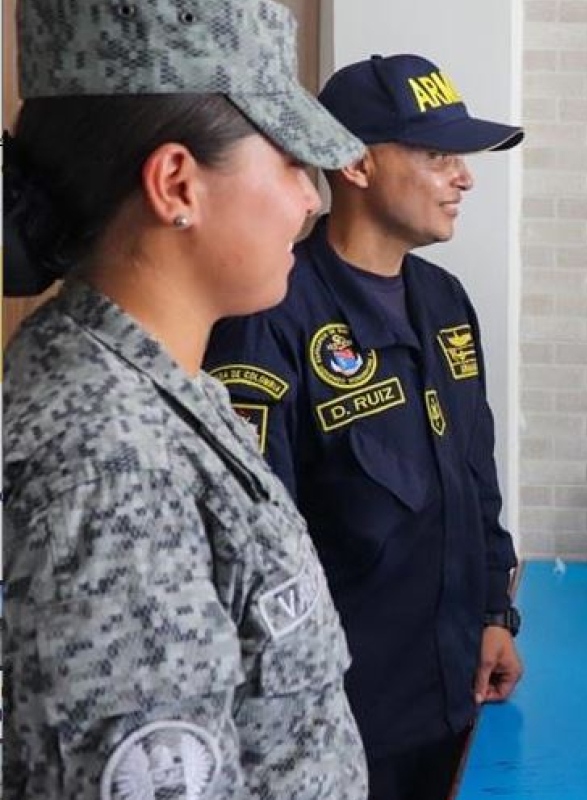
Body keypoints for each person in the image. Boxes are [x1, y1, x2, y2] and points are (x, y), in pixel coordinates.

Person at [2, 1, 369, 798]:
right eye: (287, 163)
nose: (311, 199)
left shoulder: (159, 390)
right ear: (177, 184)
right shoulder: (109, 459)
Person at [203, 53, 523, 800]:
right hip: (337, 728)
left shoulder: (446, 302)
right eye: (439, 154)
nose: (464, 177)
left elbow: (476, 478)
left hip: (459, 699)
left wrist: (493, 614)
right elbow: (251, 553)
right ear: (355, 163)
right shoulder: (269, 318)